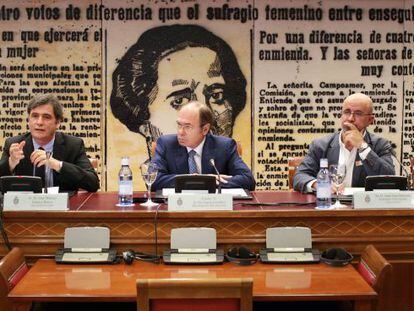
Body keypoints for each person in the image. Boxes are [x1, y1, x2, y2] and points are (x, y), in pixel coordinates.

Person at [110, 24, 247, 156]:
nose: (205, 115)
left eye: (216, 95)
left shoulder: (234, 171)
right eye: (179, 100)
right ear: (145, 126)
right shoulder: (148, 177)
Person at [293, 92, 395, 193]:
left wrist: (363, 146)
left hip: (363, 205)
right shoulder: (321, 145)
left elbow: (388, 180)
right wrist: (319, 185)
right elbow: (299, 176)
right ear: (341, 115)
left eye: (358, 113)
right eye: (347, 112)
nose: (351, 119)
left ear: (370, 120)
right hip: (329, 204)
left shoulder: (380, 145)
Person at [0, 94, 99, 192]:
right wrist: (10, 163)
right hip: (25, 206)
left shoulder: (73, 145)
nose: (39, 122)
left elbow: (93, 183)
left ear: (58, 123)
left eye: (46, 117)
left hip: (62, 206)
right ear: (28, 120)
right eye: (34, 116)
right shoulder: (14, 144)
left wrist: (57, 164)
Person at [152, 101, 255, 191]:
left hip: (213, 209)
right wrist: (203, 181)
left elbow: (248, 180)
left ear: (205, 129)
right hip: (176, 209)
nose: (180, 132)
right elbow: (153, 181)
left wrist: (202, 183)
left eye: (187, 127)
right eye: (179, 125)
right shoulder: (166, 144)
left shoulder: (225, 146)